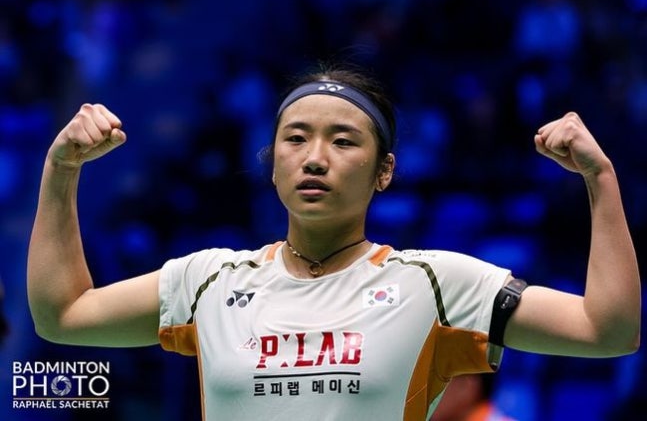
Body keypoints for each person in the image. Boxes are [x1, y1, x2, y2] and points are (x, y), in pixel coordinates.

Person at [27, 65, 641, 421]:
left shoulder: (435, 283)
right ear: (272, 163)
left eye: (344, 141)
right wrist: (61, 169)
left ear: (384, 171)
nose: (315, 158)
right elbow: (64, 315)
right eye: (296, 138)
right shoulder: (208, 280)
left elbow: (607, 330)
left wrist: (601, 178)